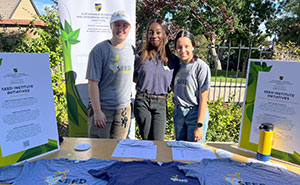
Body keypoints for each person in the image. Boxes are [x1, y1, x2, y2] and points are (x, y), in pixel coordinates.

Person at [85, 10, 135, 139]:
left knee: (118, 151)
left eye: (125, 25)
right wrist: (97, 111)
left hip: (123, 111)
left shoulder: (132, 50)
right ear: (111, 26)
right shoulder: (99, 50)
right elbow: (92, 83)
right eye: (117, 24)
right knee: (99, 153)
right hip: (103, 110)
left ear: (129, 28)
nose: (121, 29)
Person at [134, 19, 180, 141]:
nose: (154, 35)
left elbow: (176, 83)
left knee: (158, 141)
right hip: (142, 101)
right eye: (151, 32)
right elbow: (134, 77)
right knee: (147, 140)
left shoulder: (173, 60)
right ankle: (146, 160)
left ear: (165, 34)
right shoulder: (139, 57)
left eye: (158, 32)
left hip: (161, 103)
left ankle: (156, 161)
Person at [173, 30, 211, 142]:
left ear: (193, 47)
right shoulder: (179, 67)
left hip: (194, 114)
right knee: (180, 150)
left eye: (186, 46)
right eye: (179, 47)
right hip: (179, 113)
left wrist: (199, 125)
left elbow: (204, 99)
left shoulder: (201, 67)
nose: (183, 50)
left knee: (194, 152)